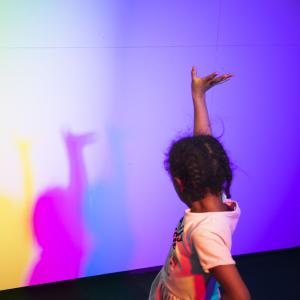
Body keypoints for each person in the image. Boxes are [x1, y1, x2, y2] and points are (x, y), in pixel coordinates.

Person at [148, 67, 251, 300]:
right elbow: (205, 149)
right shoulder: (216, 199)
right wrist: (199, 96)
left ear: (179, 183)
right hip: (176, 284)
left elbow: (240, 296)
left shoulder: (206, 232)